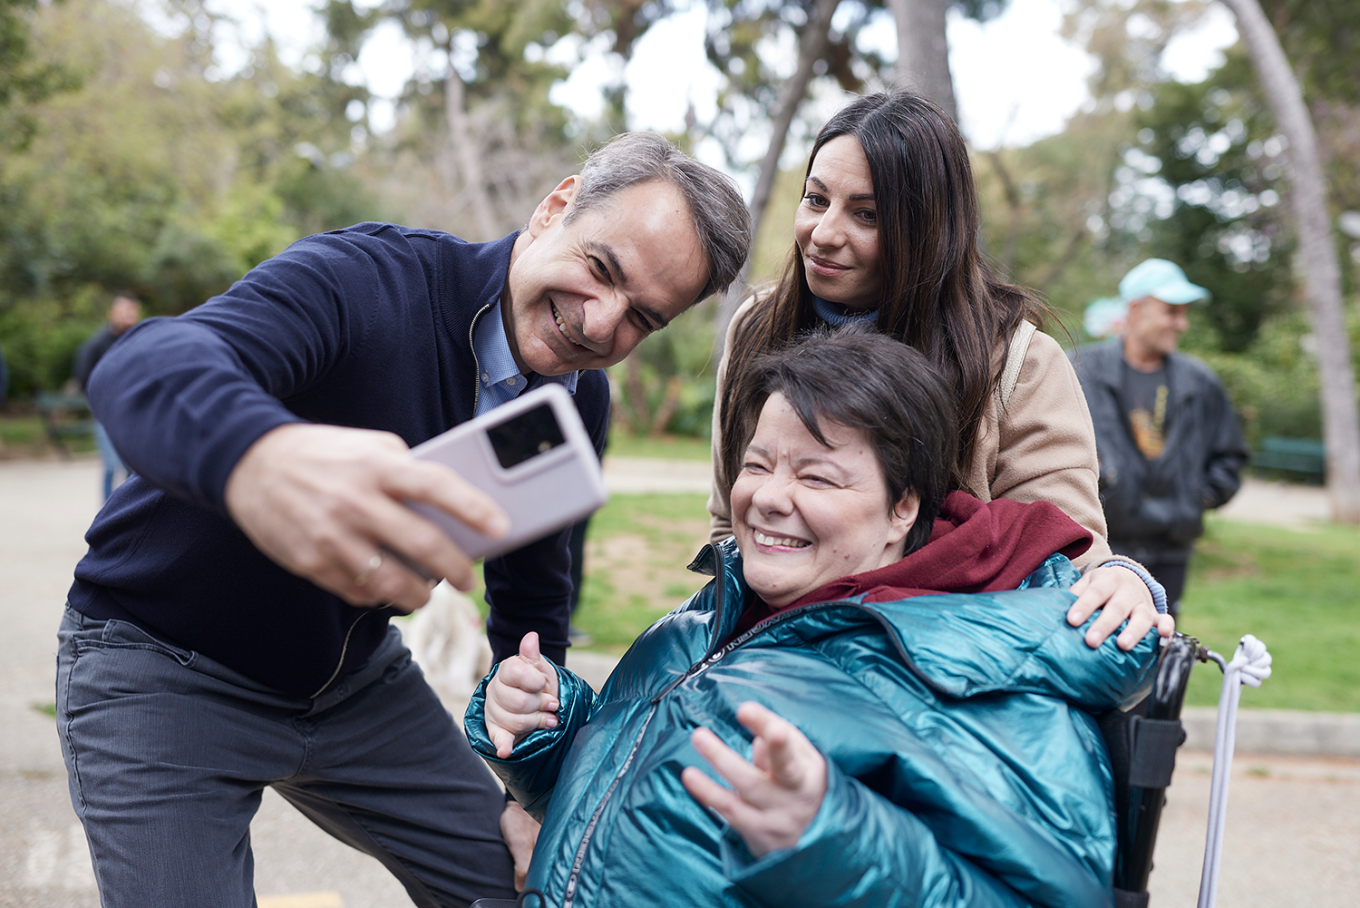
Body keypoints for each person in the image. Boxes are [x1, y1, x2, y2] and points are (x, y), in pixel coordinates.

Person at [55, 132, 752, 908]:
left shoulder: (574, 402)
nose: (599, 323)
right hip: (160, 664)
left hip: (351, 686)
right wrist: (259, 457)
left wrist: (532, 775)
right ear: (556, 206)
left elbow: (531, 587)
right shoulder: (369, 281)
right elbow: (144, 364)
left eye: (642, 319)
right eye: (601, 268)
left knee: (537, 883)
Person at [468, 327, 1159, 908]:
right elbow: (637, 809)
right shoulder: (701, 623)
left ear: (903, 508)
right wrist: (553, 732)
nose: (769, 498)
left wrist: (830, 837)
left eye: (817, 477)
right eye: (757, 464)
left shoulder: (981, 681)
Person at [707, 89, 1170, 652]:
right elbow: (728, 527)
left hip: (933, 673)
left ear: (929, 228)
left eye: (867, 214)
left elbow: (1068, 560)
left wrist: (1125, 579)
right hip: (765, 654)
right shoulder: (758, 325)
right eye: (815, 199)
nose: (825, 233)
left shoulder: (1016, 363)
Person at [1069, 258, 1248, 616]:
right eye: (1172, 312)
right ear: (1136, 310)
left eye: (1184, 313)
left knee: (1159, 653)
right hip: (1098, 545)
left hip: (1170, 550)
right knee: (1092, 649)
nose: (1182, 324)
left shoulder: (1200, 381)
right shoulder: (1080, 369)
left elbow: (1230, 454)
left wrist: (1197, 497)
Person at [73, 292, 142, 499]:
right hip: (106, 414)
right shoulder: (96, 345)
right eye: (123, 311)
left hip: (134, 414)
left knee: (134, 468)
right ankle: (106, 518)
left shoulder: (140, 339)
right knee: (112, 466)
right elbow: (83, 378)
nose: (127, 316)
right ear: (112, 313)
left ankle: (129, 514)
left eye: (132, 311)